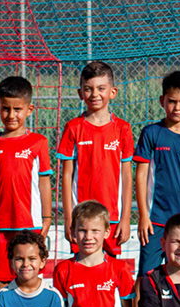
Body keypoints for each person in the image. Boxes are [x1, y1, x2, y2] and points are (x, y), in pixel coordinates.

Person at [0, 75, 53, 283]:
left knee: (29, 279)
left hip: (30, 224)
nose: (11, 115)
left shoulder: (38, 142)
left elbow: (44, 182)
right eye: (6, 108)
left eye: (17, 109)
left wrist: (46, 220)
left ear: (29, 109)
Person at [134, 70, 180, 279]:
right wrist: (143, 216)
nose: (177, 107)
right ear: (162, 101)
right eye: (172, 101)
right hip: (154, 221)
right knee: (146, 277)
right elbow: (140, 176)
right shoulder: (151, 133)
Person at [56, 61, 134, 257]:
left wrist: (125, 218)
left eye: (101, 88)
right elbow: (66, 176)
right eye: (88, 89)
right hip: (81, 219)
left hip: (112, 217)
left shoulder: (123, 129)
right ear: (80, 93)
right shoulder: (73, 128)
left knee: (109, 270)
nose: (94, 94)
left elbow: (126, 176)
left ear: (112, 92)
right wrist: (68, 219)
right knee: (81, 267)